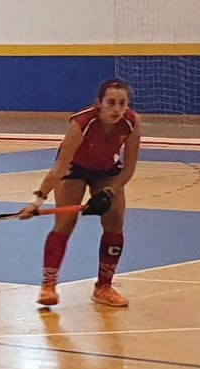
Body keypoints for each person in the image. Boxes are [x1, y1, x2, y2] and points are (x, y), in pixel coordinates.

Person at [20, 78, 141, 308]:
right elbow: (59, 167)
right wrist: (37, 200)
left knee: (115, 220)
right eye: (111, 103)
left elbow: (129, 169)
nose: (116, 109)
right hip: (74, 169)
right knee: (65, 221)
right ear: (99, 103)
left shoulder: (132, 123)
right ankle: (49, 285)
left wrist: (108, 192)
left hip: (107, 170)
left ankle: (104, 287)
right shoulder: (82, 122)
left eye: (122, 103)